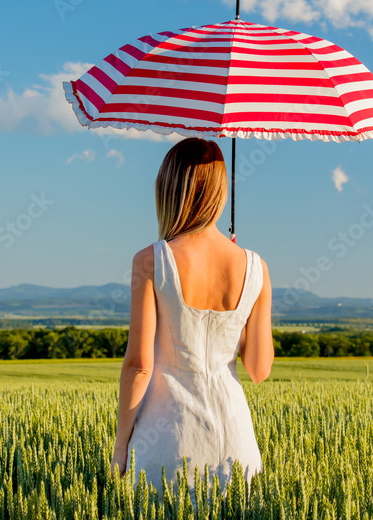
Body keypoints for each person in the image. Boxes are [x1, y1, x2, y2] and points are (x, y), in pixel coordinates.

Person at [109, 137, 274, 499]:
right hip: (236, 444)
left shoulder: (150, 261)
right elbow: (259, 370)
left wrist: (121, 446)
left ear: (168, 190)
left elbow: (138, 366)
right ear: (221, 192)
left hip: (166, 442)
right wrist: (241, 300)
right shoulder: (256, 268)